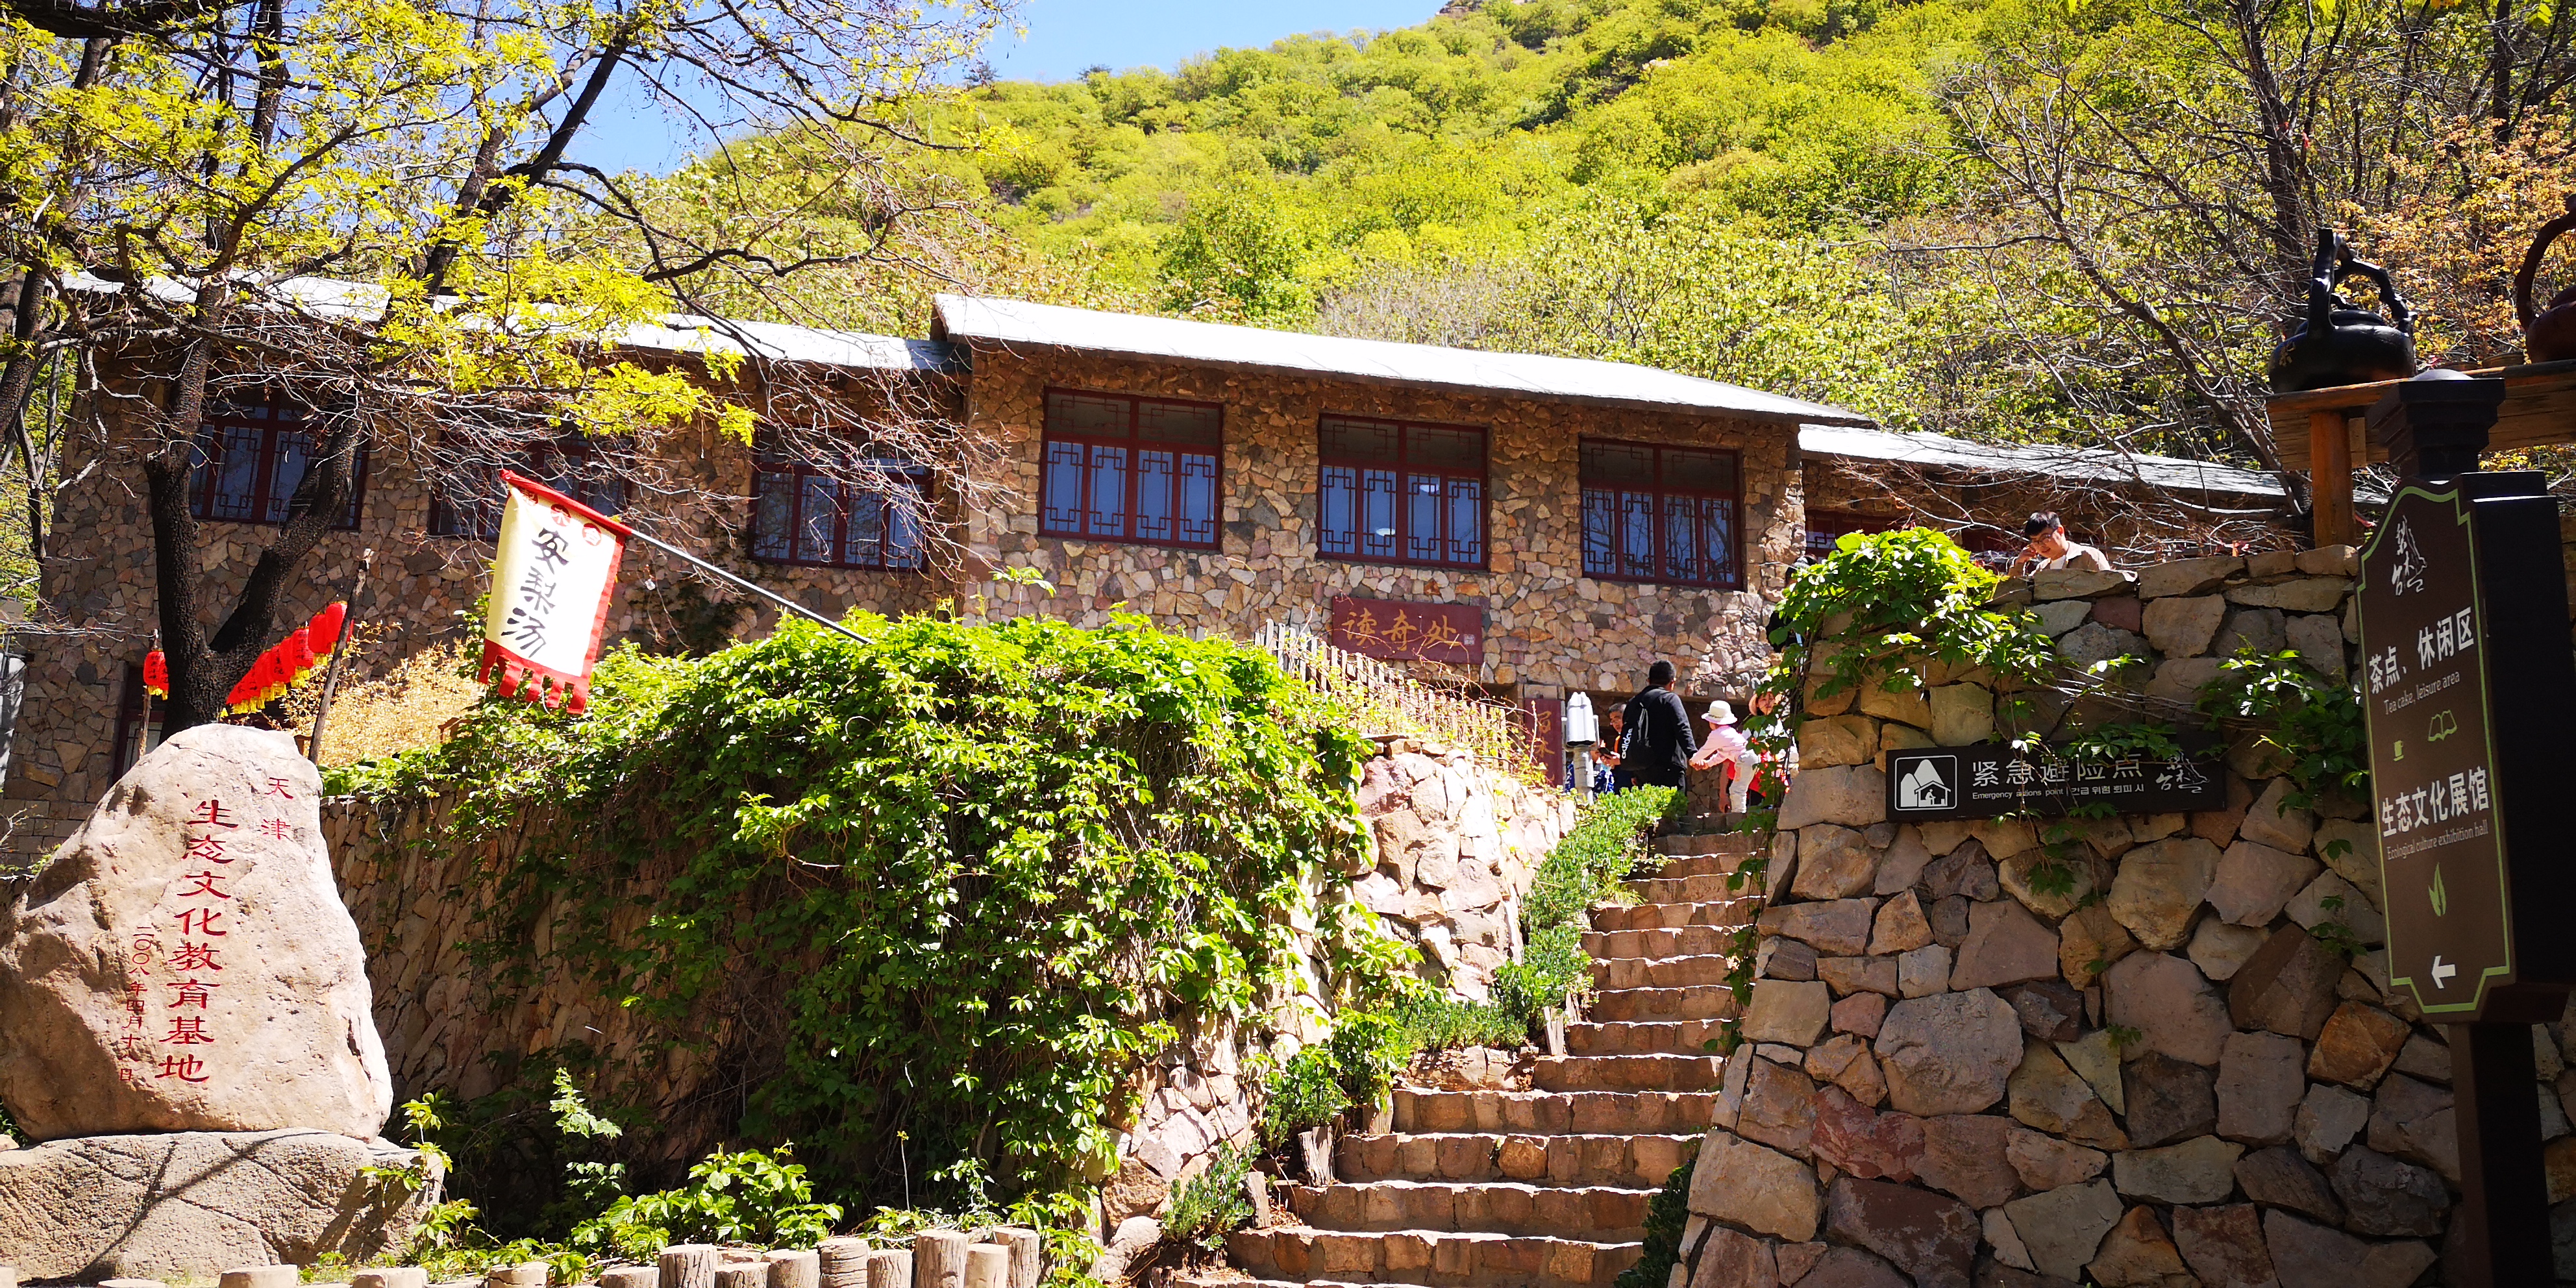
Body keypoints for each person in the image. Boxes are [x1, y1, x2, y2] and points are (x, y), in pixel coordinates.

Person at [1618, 660, 1695, 790]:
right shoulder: (1670, 699)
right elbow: (1682, 728)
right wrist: (1693, 754)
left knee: (1648, 809)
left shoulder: (1633, 703)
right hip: (1669, 769)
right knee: (1673, 809)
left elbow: (1629, 735)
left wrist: (1633, 771)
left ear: (1648, 681)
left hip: (1642, 769)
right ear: (1672, 682)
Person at [1689, 700, 1760, 815]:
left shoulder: (1717, 734)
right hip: (1750, 758)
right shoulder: (1729, 732)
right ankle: (1739, 813)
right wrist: (1708, 763)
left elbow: (1705, 750)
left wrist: (1693, 760)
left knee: (1737, 789)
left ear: (1712, 722)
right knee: (1737, 789)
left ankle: (1738, 815)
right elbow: (1722, 755)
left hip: (1745, 759)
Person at [2009, 512, 2112, 576]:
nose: (2041, 545)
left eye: (2045, 538)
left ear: (2060, 531)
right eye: (2035, 541)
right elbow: (2013, 594)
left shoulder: (2088, 556)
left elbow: (2108, 588)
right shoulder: (2042, 569)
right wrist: (2019, 564)